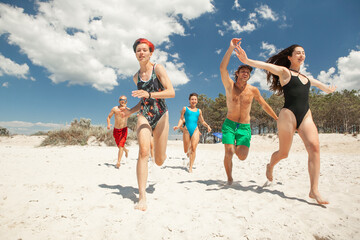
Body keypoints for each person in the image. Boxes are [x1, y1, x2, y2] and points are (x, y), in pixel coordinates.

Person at [234, 38, 336, 205]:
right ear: (290, 57)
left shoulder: (307, 78)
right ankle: (270, 166)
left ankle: (314, 190)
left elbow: (321, 86)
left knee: (314, 148)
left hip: (306, 115)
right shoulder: (284, 72)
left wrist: (328, 89)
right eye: (298, 53)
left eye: (303, 53)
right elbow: (266, 66)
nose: (301, 55)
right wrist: (247, 61)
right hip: (288, 115)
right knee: (284, 153)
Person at [121, 38, 175, 211]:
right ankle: (142, 197)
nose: (141, 52)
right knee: (143, 152)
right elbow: (142, 102)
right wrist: (131, 111)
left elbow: (171, 92)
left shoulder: (157, 68)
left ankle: (161, 153)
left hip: (161, 115)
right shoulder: (136, 77)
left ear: (151, 53)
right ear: (135, 54)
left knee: (158, 160)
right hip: (144, 115)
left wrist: (149, 94)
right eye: (138, 50)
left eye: (145, 50)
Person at [219, 38, 278, 186]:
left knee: (242, 156)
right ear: (237, 74)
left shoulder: (253, 90)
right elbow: (222, 68)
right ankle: (229, 178)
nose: (246, 73)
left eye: (248, 72)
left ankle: (237, 154)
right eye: (243, 71)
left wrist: (277, 118)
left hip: (245, 127)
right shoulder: (229, 86)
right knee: (229, 152)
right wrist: (231, 48)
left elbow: (264, 105)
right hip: (229, 125)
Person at [173, 93, 212, 173]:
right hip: (186, 130)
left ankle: (190, 167)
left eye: (195, 99)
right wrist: (178, 126)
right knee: (185, 150)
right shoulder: (185, 109)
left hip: (195, 130)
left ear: (197, 101)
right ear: (189, 100)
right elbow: (181, 119)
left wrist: (207, 126)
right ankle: (188, 153)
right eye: (192, 99)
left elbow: (202, 121)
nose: (193, 101)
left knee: (193, 148)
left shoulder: (199, 111)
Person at [107, 95, 129, 168]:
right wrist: (108, 124)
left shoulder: (128, 110)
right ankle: (126, 150)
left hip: (124, 129)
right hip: (116, 130)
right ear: (119, 101)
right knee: (119, 146)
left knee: (121, 145)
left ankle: (118, 162)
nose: (123, 101)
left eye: (124, 100)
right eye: (121, 99)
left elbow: (135, 112)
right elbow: (108, 117)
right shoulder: (115, 109)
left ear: (126, 102)